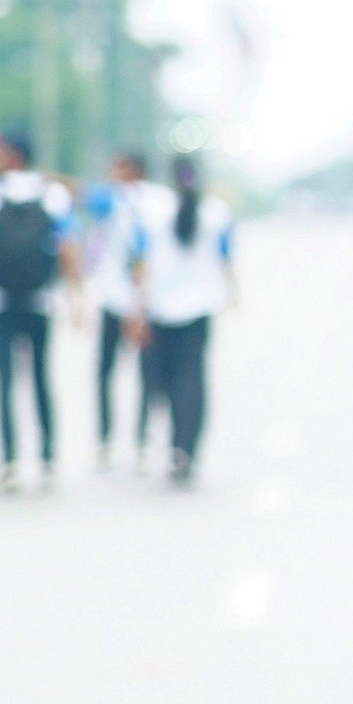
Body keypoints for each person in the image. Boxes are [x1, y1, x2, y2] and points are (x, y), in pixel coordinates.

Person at [0, 126, 81, 493]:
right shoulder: (53, 193)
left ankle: (9, 462)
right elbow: (68, 247)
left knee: (5, 381)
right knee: (42, 378)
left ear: (11, 153)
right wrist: (77, 297)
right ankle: (47, 459)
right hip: (42, 300)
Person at [132, 156, 235, 484]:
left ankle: (171, 444)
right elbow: (226, 259)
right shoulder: (217, 213)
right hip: (199, 308)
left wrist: (137, 311)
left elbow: (142, 265)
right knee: (192, 378)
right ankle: (185, 448)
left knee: (163, 381)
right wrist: (233, 294)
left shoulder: (152, 212)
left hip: (160, 308)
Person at [81, 149, 151, 465]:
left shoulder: (115, 200)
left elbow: (79, 193)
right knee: (143, 375)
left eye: (118, 170)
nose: (112, 176)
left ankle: (109, 441)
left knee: (108, 373)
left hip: (124, 300)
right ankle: (138, 442)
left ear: (134, 171)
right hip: (139, 300)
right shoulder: (158, 202)